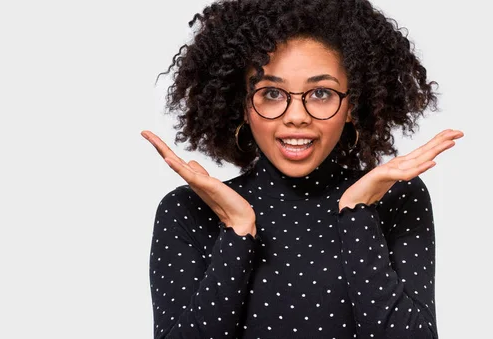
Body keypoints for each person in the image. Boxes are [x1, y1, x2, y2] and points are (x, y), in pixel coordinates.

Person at [142, 0, 463, 337]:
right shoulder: (187, 210)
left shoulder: (396, 197)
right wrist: (237, 231)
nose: (296, 116)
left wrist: (357, 213)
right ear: (243, 105)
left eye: (321, 93)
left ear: (352, 105)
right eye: (272, 93)